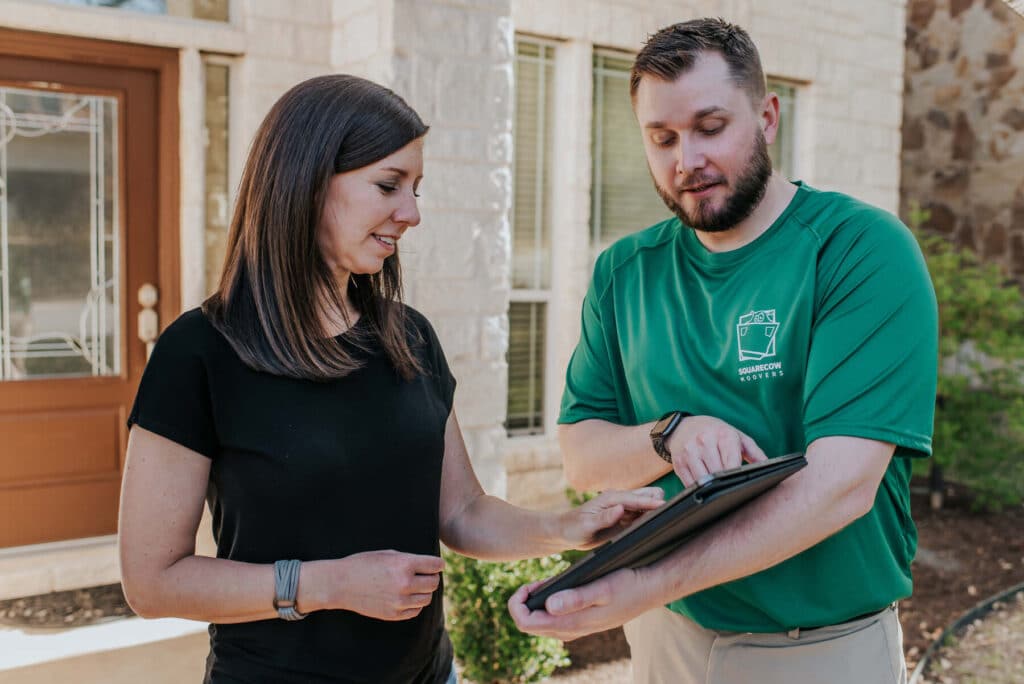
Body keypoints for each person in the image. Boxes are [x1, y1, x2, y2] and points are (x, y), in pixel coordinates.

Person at [117, 74, 663, 684]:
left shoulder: (411, 338)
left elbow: (462, 513)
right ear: (306, 182)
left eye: (416, 188)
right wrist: (327, 585)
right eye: (388, 185)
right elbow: (152, 580)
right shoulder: (198, 352)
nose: (412, 214)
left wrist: (565, 529)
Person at [508, 18, 938, 684]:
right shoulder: (626, 271)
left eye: (711, 128)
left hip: (819, 652)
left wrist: (645, 582)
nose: (687, 160)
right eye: (663, 138)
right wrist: (666, 435)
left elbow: (841, 486)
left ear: (767, 117)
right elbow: (581, 452)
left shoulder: (860, 249)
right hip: (665, 641)